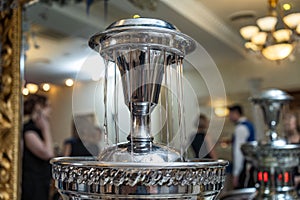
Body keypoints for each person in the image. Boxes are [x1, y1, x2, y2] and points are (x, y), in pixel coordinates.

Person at [21, 94, 54, 200]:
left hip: (41, 183)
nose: (51, 110)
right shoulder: (29, 131)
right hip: (33, 186)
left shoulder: (36, 130)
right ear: (39, 108)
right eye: (48, 106)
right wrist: (46, 128)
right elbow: (48, 154)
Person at [228, 104, 256, 189]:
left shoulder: (241, 128)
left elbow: (238, 151)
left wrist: (236, 173)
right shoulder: (248, 124)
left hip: (244, 166)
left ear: (236, 113)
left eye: (230, 114)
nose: (229, 117)